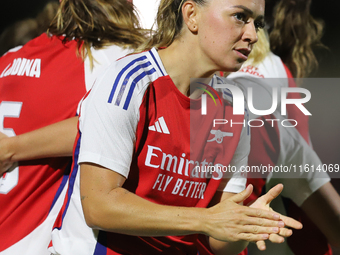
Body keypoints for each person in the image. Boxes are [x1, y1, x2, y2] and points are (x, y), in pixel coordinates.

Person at [49, 0, 303, 254]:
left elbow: (220, 245)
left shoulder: (235, 108)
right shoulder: (128, 81)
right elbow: (98, 206)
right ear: (191, 15)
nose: (252, 36)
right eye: (239, 17)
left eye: (257, 24)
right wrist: (206, 220)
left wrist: (246, 224)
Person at [0, 0, 145, 254]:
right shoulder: (118, 59)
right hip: (34, 239)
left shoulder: (10, 57)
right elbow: (106, 124)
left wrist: (12, 147)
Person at [225, 0, 340, 254]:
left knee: (228, 234)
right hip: (274, 133)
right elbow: (300, 138)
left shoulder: (219, 58)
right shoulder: (276, 63)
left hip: (240, 125)